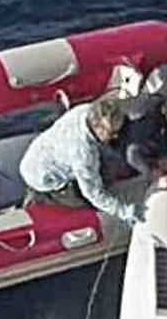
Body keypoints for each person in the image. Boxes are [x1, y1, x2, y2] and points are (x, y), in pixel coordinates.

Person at [19, 94, 143, 225]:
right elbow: (93, 193)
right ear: (97, 128)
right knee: (85, 209)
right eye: (111, 133)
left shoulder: (85, 111)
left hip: (39, 151)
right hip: (43, 177)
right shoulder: (83, 154)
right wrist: (123, 211)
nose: (116, 135)